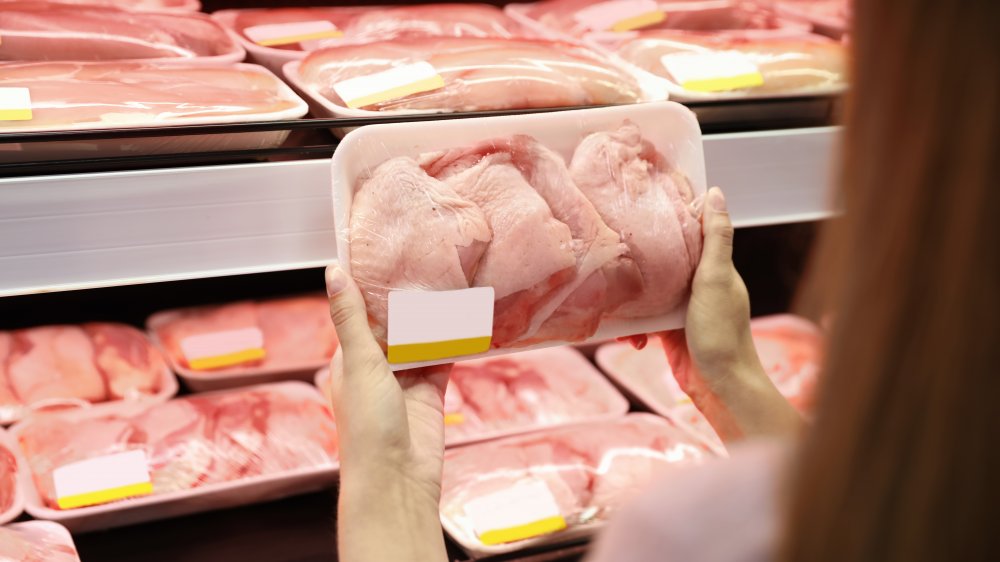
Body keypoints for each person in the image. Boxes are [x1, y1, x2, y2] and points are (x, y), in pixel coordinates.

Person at [323, 0, 999, 559]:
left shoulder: (686, 533)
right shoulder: (943, 498)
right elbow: (846, 521)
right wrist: (729, 371)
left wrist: (391, 488)